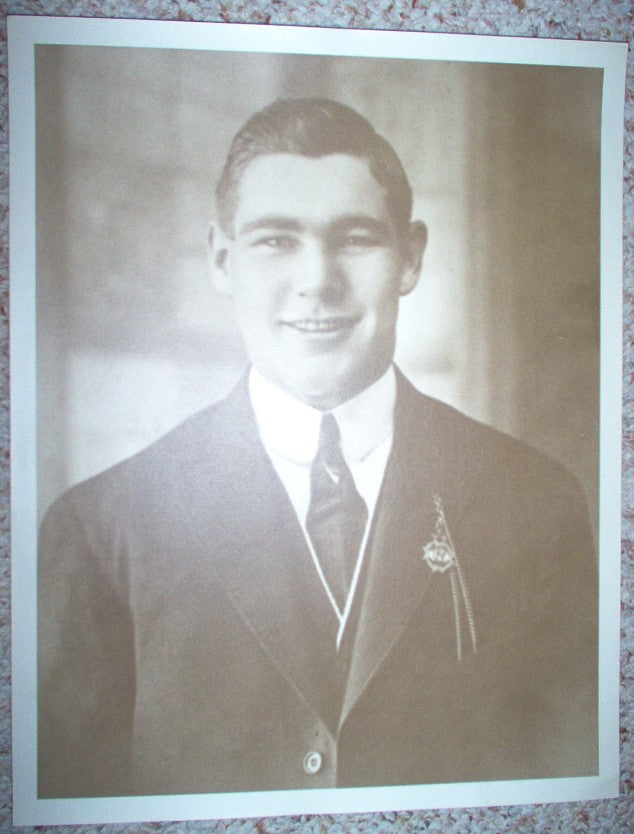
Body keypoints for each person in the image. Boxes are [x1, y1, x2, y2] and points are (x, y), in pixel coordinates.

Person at [38, 98, 597, 798]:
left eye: (356, 239)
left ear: (411, 257)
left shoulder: (535, 502)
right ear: (221, 259)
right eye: (276, 240)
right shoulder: (100, 532)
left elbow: (570, 793)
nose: (317, 281)